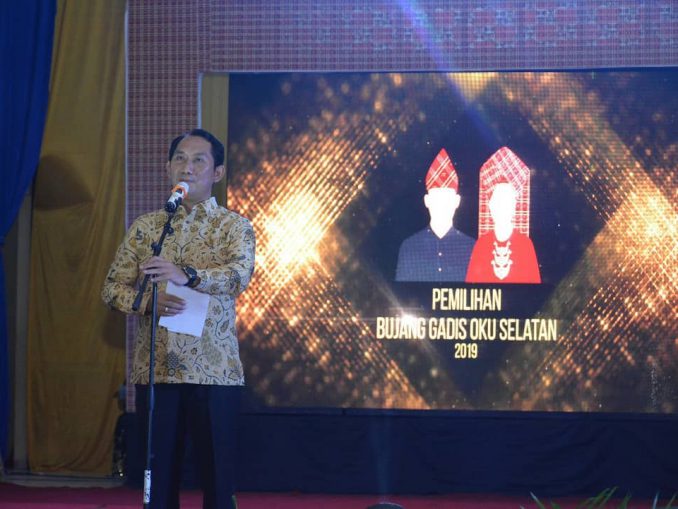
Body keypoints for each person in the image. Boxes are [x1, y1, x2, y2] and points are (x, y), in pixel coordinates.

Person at [102, 128, 255, 509]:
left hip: (214, 372)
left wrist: (187, 275)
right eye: (180, 159)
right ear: (169, 168)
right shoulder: (148, 227)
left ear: (217, 172)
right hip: (158, 371)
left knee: (218, 480)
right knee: (158, 480)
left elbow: (238, 277)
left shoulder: (234, 226)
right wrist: (147, 304)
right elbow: (112, 289)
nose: (188, 167)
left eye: (198, 160)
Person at [395, 148, 475, 282]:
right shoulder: (410, 247)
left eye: (447, 199)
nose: (442, 205)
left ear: (457, 201)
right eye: (437, 198)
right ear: (427, 201)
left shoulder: (472, 248)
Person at [465, 179, 540, 283]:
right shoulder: (481, 244)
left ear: (514, 208)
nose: (501, 208)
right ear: (491, 207)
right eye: (498, 203)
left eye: (506, 203)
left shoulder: (525, 245)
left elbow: (534, 288)